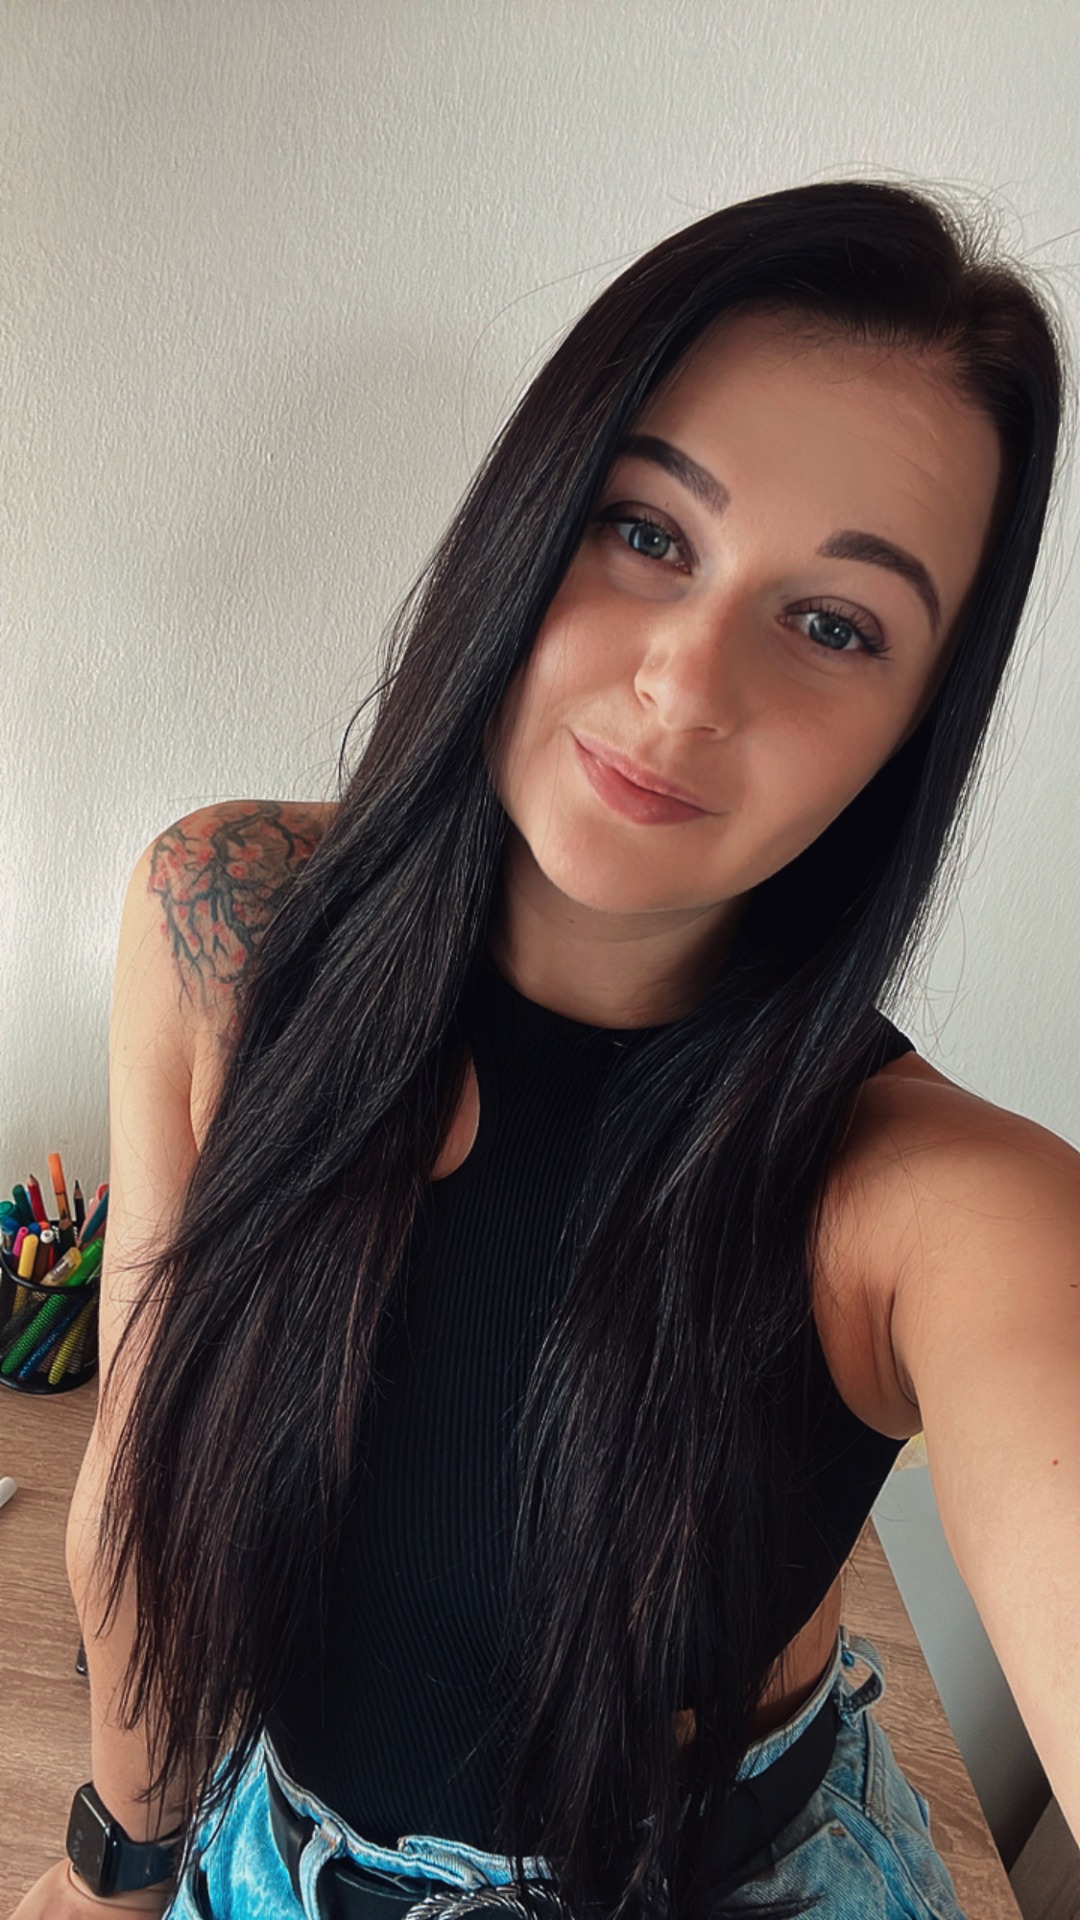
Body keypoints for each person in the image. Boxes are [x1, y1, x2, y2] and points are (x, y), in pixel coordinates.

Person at [12, 177, 1078, 1920]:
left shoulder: (937, 1202)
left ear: (913, 730)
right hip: (274, 1860)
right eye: (646, 530)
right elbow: (144, 1477)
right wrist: (117, 1862)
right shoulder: (223, 919)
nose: (686, 684)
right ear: (528, 516)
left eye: (834, 625)